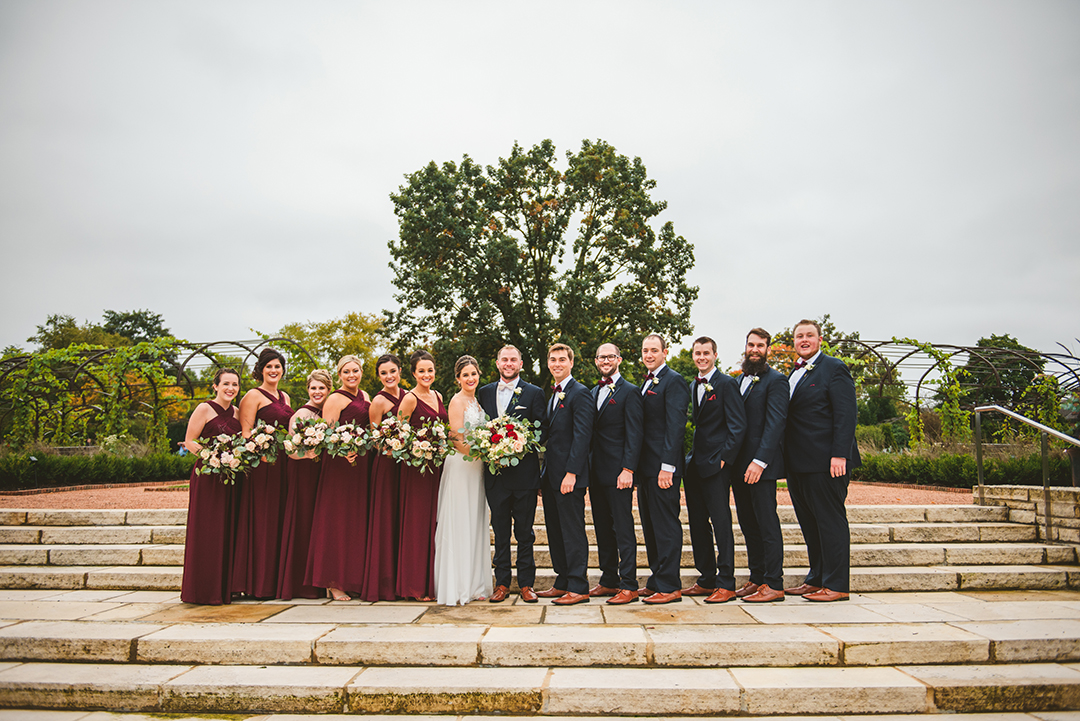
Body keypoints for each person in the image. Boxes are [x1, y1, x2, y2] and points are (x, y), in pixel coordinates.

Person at [784, 319, 860, 602]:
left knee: (830, 522)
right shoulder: (793, 373)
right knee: (810, 523)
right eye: (799, 336)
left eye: (809, 335)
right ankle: (816, 578)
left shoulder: (834, 368)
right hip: (798, 463)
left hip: (827, 462)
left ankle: (837, 585)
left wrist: (840, 454)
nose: (804, 340)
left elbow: (846, 413)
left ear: (819, 339)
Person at [476, 345, 545, 603]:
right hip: (495, 478)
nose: (508, 363)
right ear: (497, 363)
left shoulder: (535, 393)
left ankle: (527, 584)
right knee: (501, 532)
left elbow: (541, 432)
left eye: (513, 359)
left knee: (525, 533)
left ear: (521, 363)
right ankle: (502, 583)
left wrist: (519, 443)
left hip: (525, 477)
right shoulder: (483, 393)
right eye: (504, 359)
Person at [682, 336, 746, 604]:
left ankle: (726, 582)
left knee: (720, 522)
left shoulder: (727, 384)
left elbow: (738, 425)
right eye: (697, 353)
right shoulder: (692, 384)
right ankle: (706, 578)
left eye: (706, 353)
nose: (701, 357)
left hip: (716, 465)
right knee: (697, 523)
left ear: (715, 355)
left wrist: (725, 458)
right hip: (695, 463)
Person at [306, 355, 371, 601]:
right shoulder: (334, 399)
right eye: (346, 371)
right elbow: (325, 434)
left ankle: (354, 577)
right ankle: (334, 582)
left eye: (355, 370)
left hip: (362, 465)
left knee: (357, 522)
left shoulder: (365, 396)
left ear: (361, 372)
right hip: (339, 467)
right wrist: (343, 451)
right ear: (340, 374)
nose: (351, 375)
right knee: (337, 520)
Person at [732, 328, 788, 603]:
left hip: (760, 467)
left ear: (768, 348)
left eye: (760, 345)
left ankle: (774, 583)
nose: (755, 349)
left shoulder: (776, 381)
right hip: (739, 466)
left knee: (766, 523)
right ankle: (757, 578)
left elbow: (775, 424)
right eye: (751, 344)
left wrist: (759, 462)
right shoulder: (740, 379)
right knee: (748, 523)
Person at [536, 343, 594, 605]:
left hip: (569, 477)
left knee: (572, 530)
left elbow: (582, 437)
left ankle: (579, 586)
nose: (557, 363)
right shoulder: (554, 395)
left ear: (571, 363)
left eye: (562, 359)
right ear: (548, 363)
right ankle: (562, 581)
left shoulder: (579, 393)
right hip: (551, 476)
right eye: (553, 359)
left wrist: (572, 473)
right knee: (555, 530)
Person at [232, 347, 292, 599]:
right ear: (261, 370)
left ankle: (276, 580)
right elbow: (245, 432)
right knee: (262, 520)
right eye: (269, 366)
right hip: (262, 466)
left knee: (278, 520)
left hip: (284, 465)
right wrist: (261, 451)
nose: (274, 370)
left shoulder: (285, 397)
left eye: (277, 366)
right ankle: (258, 583)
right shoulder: (252, 396)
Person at [636, 334, 691, 604]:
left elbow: (675, 426)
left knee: (666, 525)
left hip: (663, 468)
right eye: (645, 350)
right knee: (650, 525)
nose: (649, 355)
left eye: (654, 350)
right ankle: (657, 579)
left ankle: (670, 585)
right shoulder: (646, 381)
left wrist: (668, 466)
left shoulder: (674, 381)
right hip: (645, 468)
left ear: (665, 352)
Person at [180, 368, 242, 605]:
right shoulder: (204, 409)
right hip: (207, 475)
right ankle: (202, 589)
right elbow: (189, 441)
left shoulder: (237, 412)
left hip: (231, 478)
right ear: (215, 386)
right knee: (207, 530)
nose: (230, 388)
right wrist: (212, 456)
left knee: (228, 528)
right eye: (226, 383)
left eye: (235, 384)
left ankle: (224, 587)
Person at [434, 355, 493, 605]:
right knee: (461, 521)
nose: (471, 378)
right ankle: (458, 586)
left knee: (475, 521)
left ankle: (475, 583)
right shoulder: (457, 401)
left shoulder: (477, 402)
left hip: (477, 469)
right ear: (458, 378)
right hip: (462, 465)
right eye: (465, 375)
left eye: (474, 373)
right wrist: (484, 454)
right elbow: (456, 439)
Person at [587, 343, 643, 605]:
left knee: (623, 528)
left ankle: (629, 584)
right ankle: (609, 579)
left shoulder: (630, 392)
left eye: (611, 356)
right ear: (596, 361)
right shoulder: (592, 391)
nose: (606, 360)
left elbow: (635, 434)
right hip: (596, 473)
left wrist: (628, 469)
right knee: (602, 528)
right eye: (602, 357)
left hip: (620, 473)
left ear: (619, 359)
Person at [277, 368, 333, 601]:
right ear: (307, 390)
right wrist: (307, 455)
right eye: (313, 388)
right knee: (303, 521)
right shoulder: (302, 414)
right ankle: (300, 583)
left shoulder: (328, 412)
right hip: (304, 472)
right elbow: (290, 450)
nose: (317, 392)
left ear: (328, 389)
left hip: (322, 472)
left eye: (322, 388)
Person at [395, 350, 446, 601]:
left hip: (438, 468)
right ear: (413, 374)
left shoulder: (438, 395)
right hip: (416, 470)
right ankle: (414, 586)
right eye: (421, 371)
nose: (427, 374)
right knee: (417, 525)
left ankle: (433, 582)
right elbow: (398, 435)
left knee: (434, 524)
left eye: (430, 370)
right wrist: (418, 449)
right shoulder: (409, 399)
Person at [362, 354, 405, 601]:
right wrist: (391, 446)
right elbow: (374, 437)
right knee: (387, 520)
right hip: (387, 466)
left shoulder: (408, 396)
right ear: (378, 376)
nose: (389, 377)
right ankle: (385, 583)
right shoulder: (378, 401)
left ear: (400, 371)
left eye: (392, 371)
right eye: (383, 373)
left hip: (407, 465)